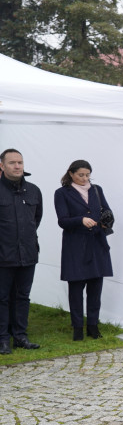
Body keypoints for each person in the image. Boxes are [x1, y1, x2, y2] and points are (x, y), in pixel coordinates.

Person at [54, 160, 115, 341]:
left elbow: (107, 211)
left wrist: (107, 219)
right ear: (71, 174)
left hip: (97, 244)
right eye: (81, 175)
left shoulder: (97, 189)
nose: (85, 178)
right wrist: (80, 220)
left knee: (96, 289)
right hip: (75, 246)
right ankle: (78, 328)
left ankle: (93, 326)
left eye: (87, 175)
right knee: (76, 289)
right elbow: (62, 220)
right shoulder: (62, 193)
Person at [0, 149, 43, 354]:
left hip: (27, 254)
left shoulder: (33, 190)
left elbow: (36, 219)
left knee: (23, 297)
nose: (17, 166)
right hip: (2, 255)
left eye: (20, 162)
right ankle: (2, 339)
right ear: (2, 166)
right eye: (12, 163)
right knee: (2, 298)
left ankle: (20, 336)